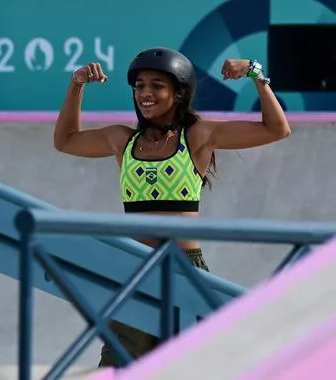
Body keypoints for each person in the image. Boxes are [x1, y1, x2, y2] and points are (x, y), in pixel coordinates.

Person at [52, 47, 291, 367]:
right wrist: (76, 84)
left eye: (157, 85)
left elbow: (277, 129)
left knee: (185, 367)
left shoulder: (197, 135)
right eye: (139, 86)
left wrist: (254, 73)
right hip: (135, 268)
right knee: (117, 365)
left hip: (185, 270)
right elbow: (65, 140)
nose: (145, 93)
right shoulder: (122, 140)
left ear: (178, 94)